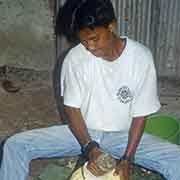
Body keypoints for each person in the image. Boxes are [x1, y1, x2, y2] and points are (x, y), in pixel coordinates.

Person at [0, 0, 180, 180]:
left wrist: (127, 158)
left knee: (176, 159)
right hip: (81, 134)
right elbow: (72, 108)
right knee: (15, 145)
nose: (90, 47)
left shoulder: (141, 58)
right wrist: (89, 147)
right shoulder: (75, 58)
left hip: (122, 137)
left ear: (111, 26)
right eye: (84, 41)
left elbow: (140, 115)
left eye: (94, 38)